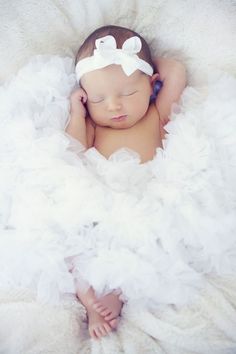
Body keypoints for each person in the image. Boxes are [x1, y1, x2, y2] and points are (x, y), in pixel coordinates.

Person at [65, 25, 187, 340]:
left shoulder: (156, 115)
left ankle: (114, 298)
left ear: (151, 86)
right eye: (98, 98)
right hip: (99, 199)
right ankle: (88, 298)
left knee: (146, 248)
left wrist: (134, 60)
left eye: (128, 93)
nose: (114, 106)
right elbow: (71, 151)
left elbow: (175, 70)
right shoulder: (92, 125)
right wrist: (77, 114)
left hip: (143, 200)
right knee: (71, 246)